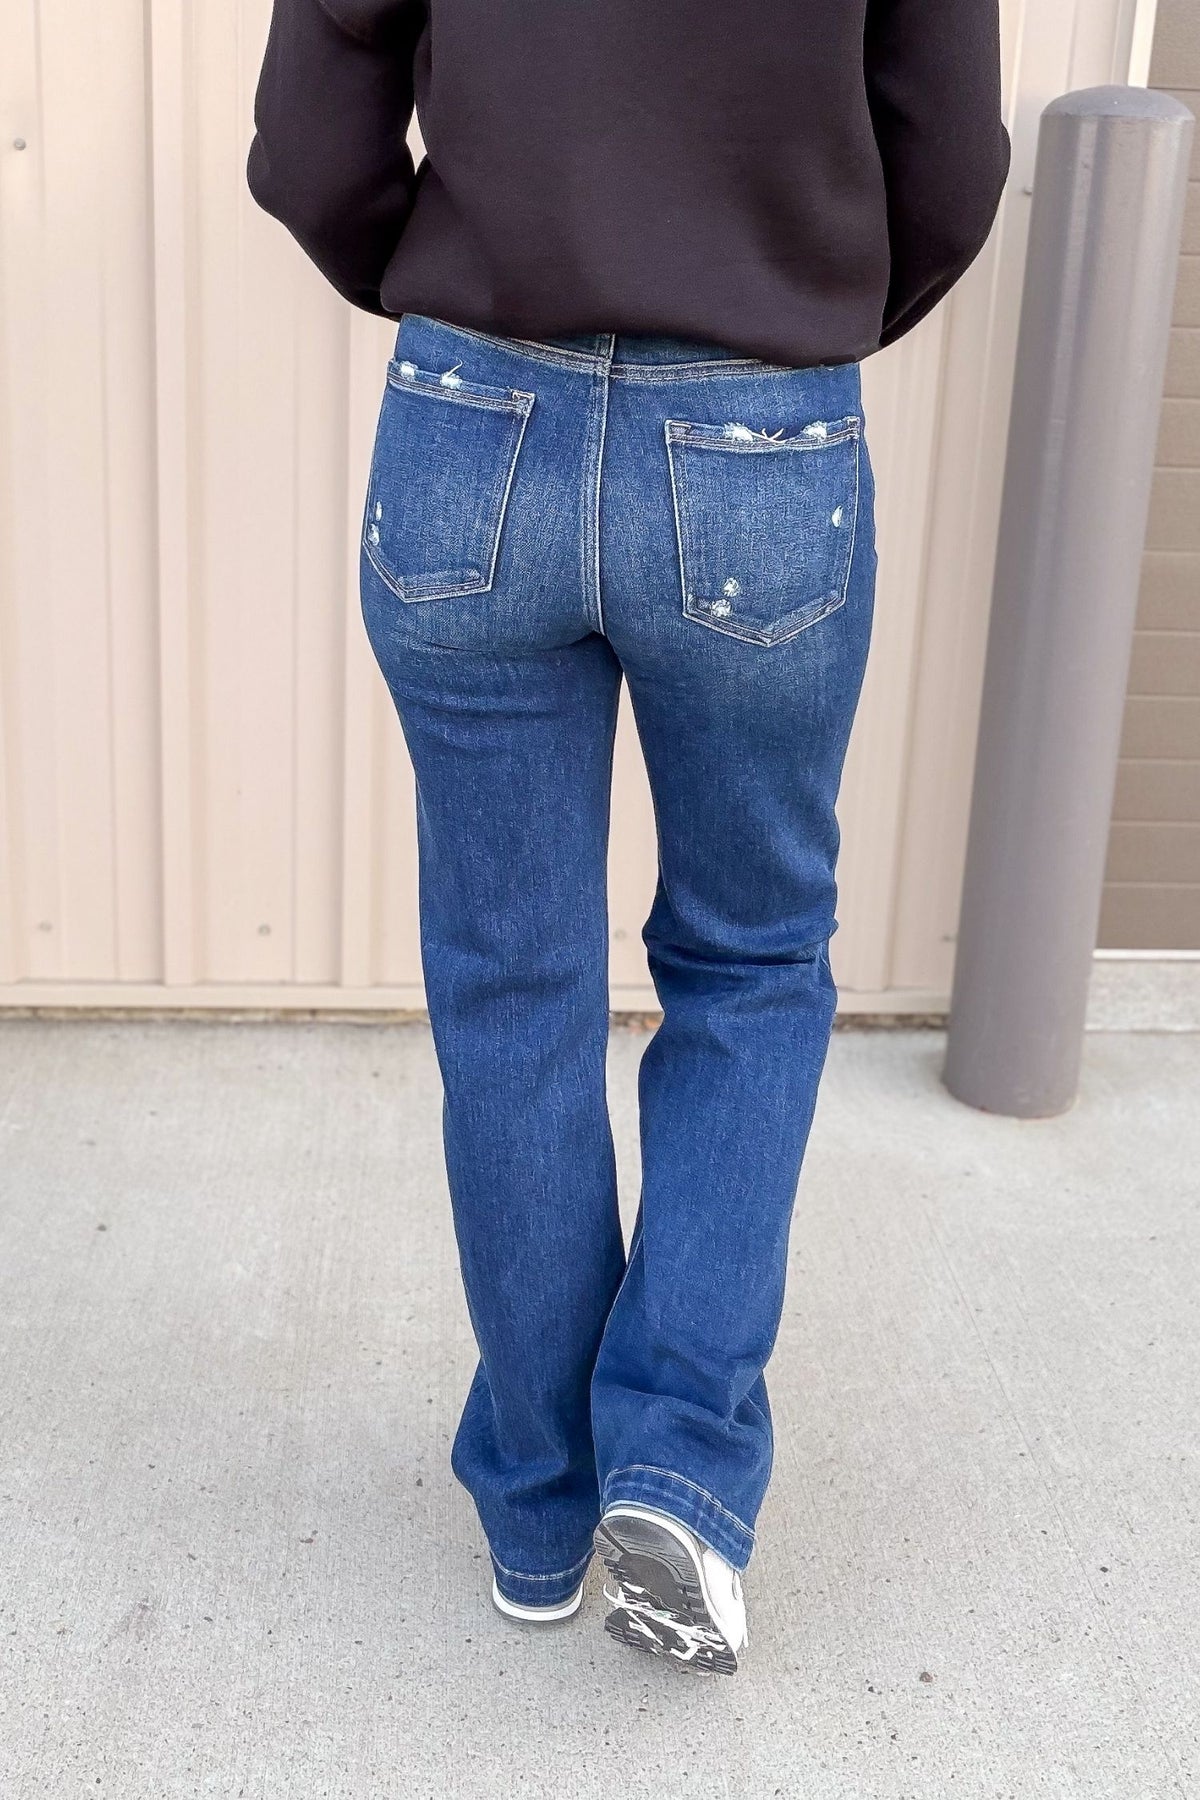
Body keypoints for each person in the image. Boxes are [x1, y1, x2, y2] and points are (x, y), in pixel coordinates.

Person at [247, 0, 1009, 1674]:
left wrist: (453, 290)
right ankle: (673, 1459)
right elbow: (954, 164)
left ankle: (538, 1509)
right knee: (749, 963)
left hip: (474, 425)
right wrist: (795, 314)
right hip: (759, 430)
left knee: (511, 986)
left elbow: (310, 148)